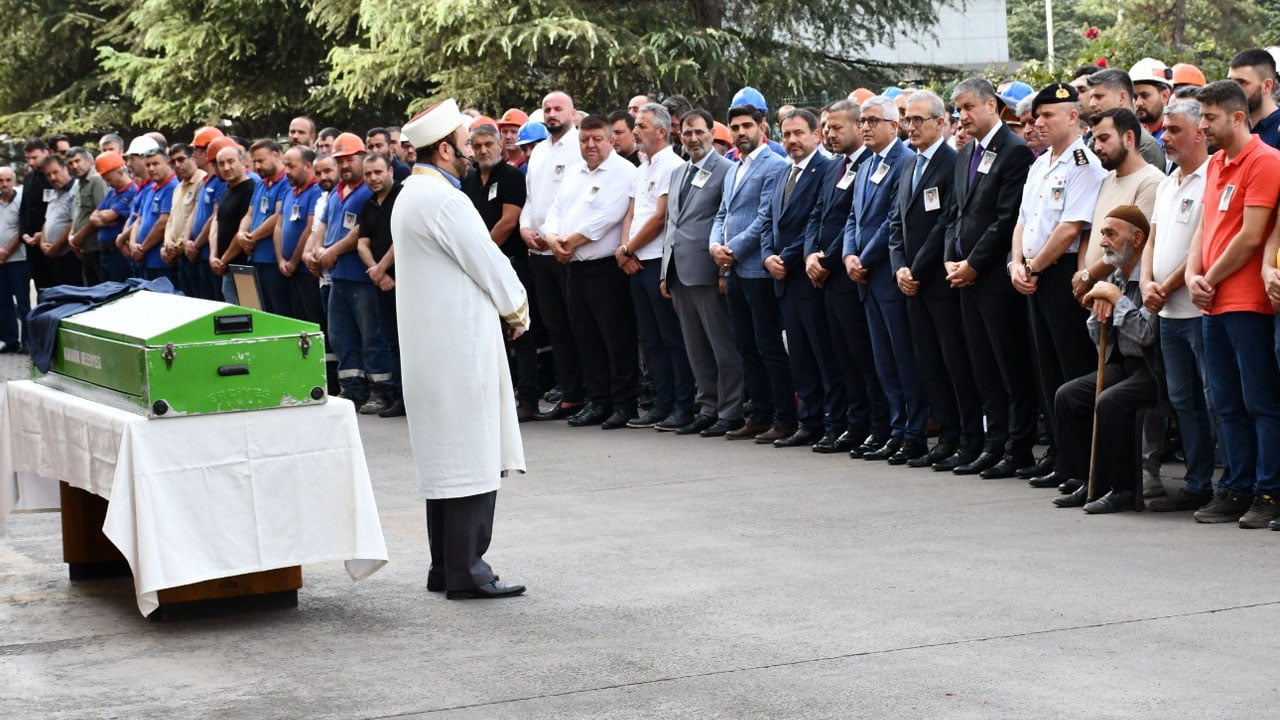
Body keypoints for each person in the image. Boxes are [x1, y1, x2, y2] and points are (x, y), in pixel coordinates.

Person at [393, 98, 530, 599]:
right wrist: (518, 310)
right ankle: (468, 570)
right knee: (469, 456)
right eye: (463, 143)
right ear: (445, 149)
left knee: (445, 458)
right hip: (457, 348)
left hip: (437, 347)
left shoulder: (414, 194)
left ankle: (444, 566)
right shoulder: (445, 201)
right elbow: (487, 259)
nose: (470, 152)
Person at [1186, 80, 1280, 528]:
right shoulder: (1215, 163)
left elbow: (1251, 237)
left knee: (1259, 400)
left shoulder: (1265, 161)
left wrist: (1209, 277)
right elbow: (1203, 228)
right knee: (1224, 402)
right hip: (1212, 300)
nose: (1202, 126)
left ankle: (1269, 491)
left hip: (1246, 300)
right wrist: (1191, 276)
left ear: (1237, 117)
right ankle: (1238, 485)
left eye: (1209, 117)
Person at [1011, 83, 1107, 488]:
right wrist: (1015, 264)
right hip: (1033, 272)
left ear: (1072, 116)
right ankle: (1061, 456)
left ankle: (1083, 463)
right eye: (1035, 117)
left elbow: (1070, 229)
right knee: (1045, 369)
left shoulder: (1083, 163)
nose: (1038, 123)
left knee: (1072, 371)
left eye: (1048, 115)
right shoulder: (1039, 164)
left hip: (1062, 273)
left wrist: (1031, 266)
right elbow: (1022, 221)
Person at [944, 77, 1038, 478]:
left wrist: (974, 263)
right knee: (981, 364)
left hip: (995, 278)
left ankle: (1019, 447)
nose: (962, 117)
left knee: (1008, 363)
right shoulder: (966, 154)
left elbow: (1005, 220)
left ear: (991, 106)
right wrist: (952, 258)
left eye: (968, 108)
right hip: (964, 276)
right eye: (958, 110)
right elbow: (957, 213)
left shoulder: (1013, 152)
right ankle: (994, 442)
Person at [887, 90, 981, 469]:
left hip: (939, 280)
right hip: (911, 281)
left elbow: (945, 223)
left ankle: (969, 438)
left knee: (954, 362)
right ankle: (946, 435)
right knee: (927, 363)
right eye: (907, 120)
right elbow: (896, 223)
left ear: (941, 123)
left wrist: (918, 267)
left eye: (918, 120)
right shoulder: (909, 165)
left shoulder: (952, 162)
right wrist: (899, 267)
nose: (910, 127)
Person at [1052, 207, 1160, 513]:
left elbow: (1146, 333)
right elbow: (1102, 341)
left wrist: (1117, 299)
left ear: (1137, 238)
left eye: (1111, 234)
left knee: (1111, 402)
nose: (1103, 242)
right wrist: (1097, 312)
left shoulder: (1149, 275)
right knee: (1069, 396)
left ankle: (1123, 488)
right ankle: (1088, 479)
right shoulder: (1114, 277)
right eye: (1102, 234)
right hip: (1123, 363)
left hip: (1153, 368)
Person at [1140, 98, 1216, 512]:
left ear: (1201, 133)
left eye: (1175, 131)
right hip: (1167, 313)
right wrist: (1149, 281)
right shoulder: (1169, 181)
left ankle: (1225, 482)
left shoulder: (1212, 178)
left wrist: (1165, 285)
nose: (1165, 137)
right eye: (1165, 130)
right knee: (1183, 401)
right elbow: (1152, 238)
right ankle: (1197, 482)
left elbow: (1201, 247)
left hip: (1197, 311)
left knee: (1212, 400)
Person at [542, 113, 639, 429]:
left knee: (615, 337)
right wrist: (553, 239)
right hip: (575, 268)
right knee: (585, 337)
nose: (590, 145)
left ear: (611, 139)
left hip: (605, 269)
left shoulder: (624, 172)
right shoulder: (574, 172)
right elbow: (554, 211)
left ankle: (624, 404)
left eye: (597, 139)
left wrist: (566, 243)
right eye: (584, 140)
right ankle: (598, 400)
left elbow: (608, 217)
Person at [842, 95, 925, 463]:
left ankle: (914, 430)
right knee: (882, 361)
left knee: (903, 358)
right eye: (862, 121)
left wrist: (865, 257)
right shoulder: (865, 165)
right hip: (864, 278)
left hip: (887, 275)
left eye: (872, 120)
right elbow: (853, 219)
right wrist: (847, 254)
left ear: (894, 126)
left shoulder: (903, 161)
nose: (864, 127)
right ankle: (895, 428)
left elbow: (893, 221)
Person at [802, 99, 886, 457]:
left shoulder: (871, 164)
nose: (830, 134)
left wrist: (829, 259)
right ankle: (853, 423)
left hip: (849, 273)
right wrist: (809, 255)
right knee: (839, 357)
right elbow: (817, 215)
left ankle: (875, 425)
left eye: (837, 127)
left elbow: (856, 220)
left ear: (856, 126)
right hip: (823, 274)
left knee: (863, 356)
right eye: (826, 127)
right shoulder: (835, 167)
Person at [660, 108, 746, 437]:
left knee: (721, 345)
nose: (693, 139)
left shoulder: (727, 170)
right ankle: (707, 406)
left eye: (699, 132)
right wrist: (665, 271)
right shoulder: (678, 172)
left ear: (711, 134)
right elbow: (673, 222)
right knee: (695, 346)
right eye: (686, 133)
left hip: (709, 270)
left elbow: (726, 220)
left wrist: (724, 270)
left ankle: (730, 410)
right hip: (679, 272)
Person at [709, 103, 793, 442]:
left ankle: (784, 417)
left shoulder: (775, 165)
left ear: (762, 127)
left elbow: (764, 219)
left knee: (768, 345)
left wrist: (733, 251)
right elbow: (722, 214)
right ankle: (759, 414)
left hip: (758, 268)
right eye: (735, 127)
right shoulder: (732, 168)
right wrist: (715, 247)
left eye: (747, 126)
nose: (740, 132)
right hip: (734, 271)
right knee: (745, 345)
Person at [759, 108, 841, 449]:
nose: (792, 141)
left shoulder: (826, 169)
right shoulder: (782, 172)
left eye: (799, 134)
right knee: (800, 355)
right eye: (786, 135)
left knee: (822, 352)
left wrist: (788, 257)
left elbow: (814, 222)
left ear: (816, 135)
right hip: (782, 278)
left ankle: (830, 420)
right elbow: (768, 220)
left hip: (808, 276)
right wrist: (767, 256)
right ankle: (808, 420)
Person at [616, 103, 694, 430]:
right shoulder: (639, 169)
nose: (635, 132)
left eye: (642, 127)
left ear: (661, 131)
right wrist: (624, 250)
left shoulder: (672, 166)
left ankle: (683, 404)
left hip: (658, 261)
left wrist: (629, 248)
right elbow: (631, 214)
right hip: (635, 262)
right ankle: (662, 403)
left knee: (671, 337)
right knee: (650, 339)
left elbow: (661, 217)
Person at [463, 123, 539, 421]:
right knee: (487, 333)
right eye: (477, 145)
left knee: (520, 332)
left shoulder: (511, 176)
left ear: (499, 145)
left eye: (488, 145)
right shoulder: (469, 179)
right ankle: (497, 399)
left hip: (510, 264)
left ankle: (529, 400)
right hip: (481, 268)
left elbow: (509, 221)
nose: (483, 150)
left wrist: (481, 252)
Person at [520, 91, 586, 421]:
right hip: (538, 253)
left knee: (579, 325)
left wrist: (552, 236)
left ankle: (588, 393)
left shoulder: (579, 146)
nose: (552, 113)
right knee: (556, 327)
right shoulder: (539, 152)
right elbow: (531, 200)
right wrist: (523, 228)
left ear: (572, 113)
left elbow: (577, 200)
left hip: (566, 251)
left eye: (558, 108)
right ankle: (570, 393)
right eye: (547, 109)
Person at [316, 133, 393, 414]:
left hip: (360, 276)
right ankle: (353, 388)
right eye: (340, 160)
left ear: (361, 157)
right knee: (340, 336)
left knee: (372, 336)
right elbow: (322, 225)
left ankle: (382, 390)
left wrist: (331, 252)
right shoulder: (336, 192)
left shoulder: (365, 193)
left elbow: (359, 232)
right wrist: (315, 250)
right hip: (338, 277)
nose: (345, 164)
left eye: (349, 158)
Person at [355, 153, 404, 417]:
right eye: (368, 174)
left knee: (407, 340)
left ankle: (410, 396)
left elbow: (402, 238)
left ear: (391, 171)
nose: (373, 178)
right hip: (381, 281)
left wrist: (381, 268)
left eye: (378, 172)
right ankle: (398, 395)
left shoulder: (403, 198)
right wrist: (377, 272)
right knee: (390, 340)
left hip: (404, 279)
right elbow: (362, 242)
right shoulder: (368, 203)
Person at [274, 146, 325, 324]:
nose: (287, 171)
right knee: (296, 317)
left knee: (313, 317)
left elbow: (310, 228)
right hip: (288, 269)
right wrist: (281, 259)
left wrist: (294, 261)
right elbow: (278, 226)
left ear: (308, 166)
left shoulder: (316, 191)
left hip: (305, 270)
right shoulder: (290, 190)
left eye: (292, 166)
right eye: (285, 166)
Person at [240, 139, 291, 313]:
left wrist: (251, 237)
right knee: (260, 309)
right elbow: (250, 213)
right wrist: (241, 234)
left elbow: (278, 216)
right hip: (255, 258)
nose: (257, 166)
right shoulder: (262, 182)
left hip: (272, 259)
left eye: (261, 161)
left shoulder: (286, 182)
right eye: (254, 161)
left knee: (278, 310)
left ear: (276, 156)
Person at [1084, 69, 1167, 169]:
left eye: (1099, 97)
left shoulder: (1145, 147)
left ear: (1122, 97)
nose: (1091, 104)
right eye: (1091, 97)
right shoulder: (1091, 141)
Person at [185, 130, 230, 300]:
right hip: (199, 255)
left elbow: (215, 217)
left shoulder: (221, 181)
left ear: (207, 151)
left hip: (210, 254)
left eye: (195, 149)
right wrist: (186, 241)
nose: (193, 154)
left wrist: (195, 245)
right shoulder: (205, 180)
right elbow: (195, 212)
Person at [208, 144, 257, 300]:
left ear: (242, 162)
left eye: (231, 161)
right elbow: (217, 221)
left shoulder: (250, 190)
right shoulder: (227, 190)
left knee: (247, 316)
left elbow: (243, 230)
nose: (226, 167)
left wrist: (223, 260)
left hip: (243, 268)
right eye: (221, 164)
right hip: (226, 267)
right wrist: (213, 255)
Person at [128, 146, 178, 282]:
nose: (151, 168)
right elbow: (138, 219)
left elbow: (163, 223)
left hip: (160, 261)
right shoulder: (151, 188)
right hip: (144, 259)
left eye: (155, 164)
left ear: (167, 164)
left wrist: (142, 249)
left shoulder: (172, 187)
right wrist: (132, 244)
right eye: (148, 165)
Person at [32, 154, 82, 287]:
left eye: (55, 172)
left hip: (70, 255)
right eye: (48, 175)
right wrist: (42, 243)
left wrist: (56, 246)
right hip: (53, 257)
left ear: (65, 169)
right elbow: (47, 220)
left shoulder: (77, 189)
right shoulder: (54, 192)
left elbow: (72, 223)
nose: (52, 178)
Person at [162, 143, 205, 295]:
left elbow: (196, 217)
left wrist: (178, 246)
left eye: (181, 159)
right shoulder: (178, 188)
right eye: (173, 162)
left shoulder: (202, 181)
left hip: (193, 252)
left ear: (193, 157)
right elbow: (171, 219)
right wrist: (167, 244)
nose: (177, 165)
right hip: (178, 255)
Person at [88, 152, 138, 283]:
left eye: (109, 179)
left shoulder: (132, 191)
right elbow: (94, 217)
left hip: (118, 253)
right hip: (105, 252)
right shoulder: (112, 192)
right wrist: (102, 218)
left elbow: (108, 216)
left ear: (121, 172)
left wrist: (104, 217)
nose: (108, 184)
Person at [65, 147, 107, 286]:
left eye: (77, 161)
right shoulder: (79, 183)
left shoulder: (97, 180)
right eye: (70, 163)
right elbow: (79, 213)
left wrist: (78, 237)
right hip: (84, 249)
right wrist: (72, 236)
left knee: (101, 291)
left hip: (96, 247)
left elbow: (100, 214)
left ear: (89, 161)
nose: (74, 166)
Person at [18, 139, 54, 289]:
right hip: (31, 242)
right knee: (41, 286)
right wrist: (23, 233)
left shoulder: (53, 177)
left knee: (55, 283)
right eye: (28, 159)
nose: (31, 162)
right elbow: (24, 208)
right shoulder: (29, 178)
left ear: (45, 153)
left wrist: (43, 233)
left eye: (34, 157)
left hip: (50, 241)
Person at [1227, 48, 1280, 149]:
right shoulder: (1233, 128)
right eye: (1230, 83)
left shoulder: (1278, 128)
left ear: (1267, 86)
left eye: (1242, 82)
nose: (1233, 90)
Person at [0, 168, 26, 353]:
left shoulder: (21, 200)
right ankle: (9, 340)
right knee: (3, 301)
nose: (5, 184)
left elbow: (22, 228)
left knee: (23, 301)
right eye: (1, 180)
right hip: (0, 262)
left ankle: (28, 342)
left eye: (8, 180)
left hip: (18, 259)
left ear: (14, 181)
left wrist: (7, 251)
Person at [1129, 57, 1173, 144]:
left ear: (1165, 96)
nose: (1138, 103)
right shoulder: (1130, 137)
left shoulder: (1175, 138)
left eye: (1145, 95)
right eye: (1134, 97)